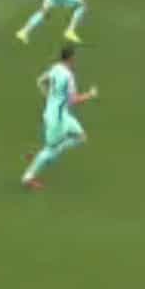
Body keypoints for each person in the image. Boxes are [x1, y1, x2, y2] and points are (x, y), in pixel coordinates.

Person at [22, 45, 99, 190]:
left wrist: (49, 97)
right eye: (75, 58)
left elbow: (40, 81)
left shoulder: (55, 68)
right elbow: (74, 100)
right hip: (56, 117)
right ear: (71, 58)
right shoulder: (68, 77)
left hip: (62, 114)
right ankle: (28, 177)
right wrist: (90, 94)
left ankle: (43, 155)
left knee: (81, 137)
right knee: (51, 149)